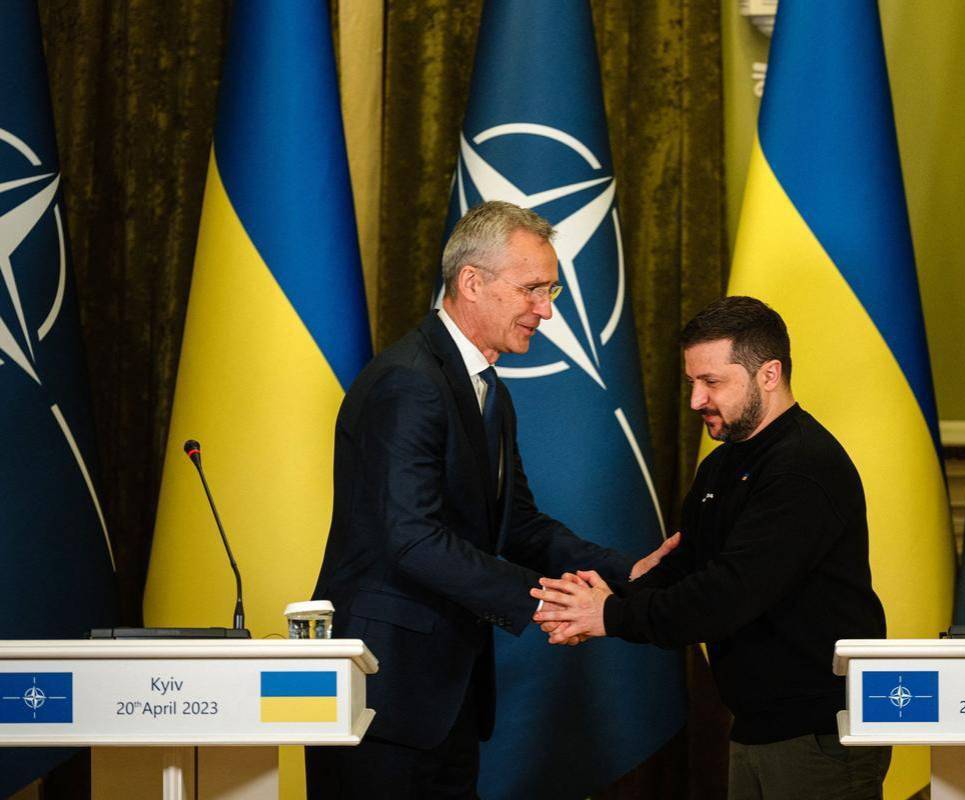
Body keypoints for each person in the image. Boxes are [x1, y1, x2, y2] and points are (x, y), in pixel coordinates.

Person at [306, 200, 677, 799]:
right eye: (532, 289)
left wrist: (625, 572)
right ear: (472, 282)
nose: (546, 310)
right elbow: (412, 538)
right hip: (383, 690)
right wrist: (547, 603)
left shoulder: (487, 389)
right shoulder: (409, 381)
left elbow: (518, 524)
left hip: (445, 692)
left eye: (551, 290)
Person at [533, 296, 891, 800]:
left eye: (712, 382)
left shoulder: (804, 467)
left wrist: (609, 615)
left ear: (769, 374)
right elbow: (687, 567)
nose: (696, 400)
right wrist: (601, 597)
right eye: (691, 383)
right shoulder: (722, 464)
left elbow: (726, 596)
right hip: (756, 725)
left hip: (818, 733)